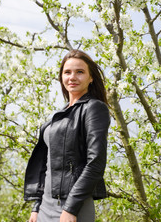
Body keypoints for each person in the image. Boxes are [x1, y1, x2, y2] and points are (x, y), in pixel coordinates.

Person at [24, 49, 110, 222]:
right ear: (61, 77)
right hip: (45, 206)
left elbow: (96, 162)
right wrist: (36, 206)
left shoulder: (94, 108)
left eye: (80, 72)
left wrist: (70, 208)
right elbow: (45, 164)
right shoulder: (59, 114)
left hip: (72, 206)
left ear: (91, 77)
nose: (72, 77)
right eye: (67, 72)